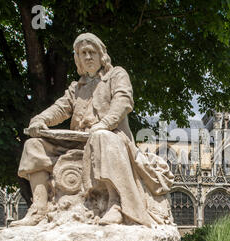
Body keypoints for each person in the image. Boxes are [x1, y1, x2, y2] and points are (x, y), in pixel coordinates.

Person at [11, 33, 173, 227]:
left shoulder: (116, 75)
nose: (87, 57)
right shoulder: (76, 87)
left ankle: (116, 205)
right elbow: (60, 108)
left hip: (112, 137)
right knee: (33, 144)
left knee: (101, 136)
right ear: (77, 58)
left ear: (101, 54)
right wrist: (40, 120)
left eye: (91, 52)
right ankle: (39, 209)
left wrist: (104, 123)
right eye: (82, 53)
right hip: (79, 141)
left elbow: (123, 101)